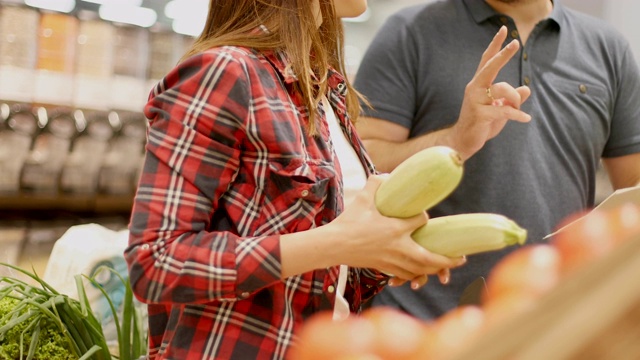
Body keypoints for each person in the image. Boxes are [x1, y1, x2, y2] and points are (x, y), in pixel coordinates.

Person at [120, 0, 527, 358]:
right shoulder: (225, 72)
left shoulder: (324, 87)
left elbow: (328, 269)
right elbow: (155, 261)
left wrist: (387, 253)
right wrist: (339, 242)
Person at [353, 0, 640, 320]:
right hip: (421, 322)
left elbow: (633, 190)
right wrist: (454, 140)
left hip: (557, 318)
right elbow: (360, 165)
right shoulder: (409, 32)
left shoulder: (607, 48)